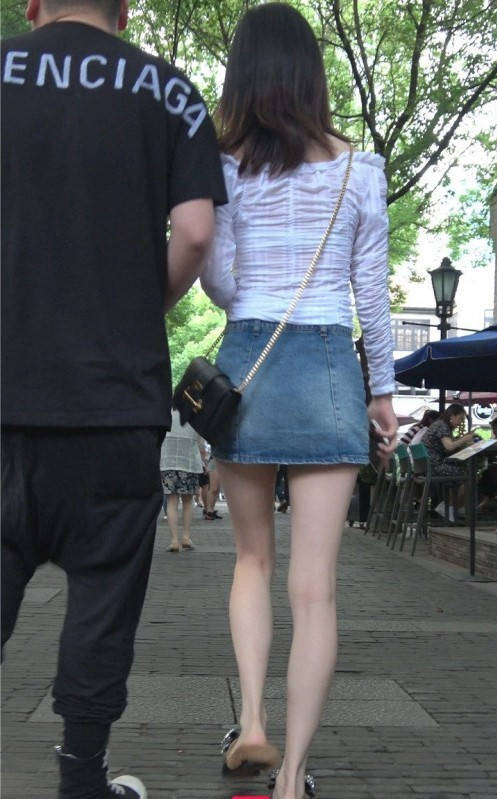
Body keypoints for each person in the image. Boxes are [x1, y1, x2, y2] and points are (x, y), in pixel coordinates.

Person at [1, 1, 226, 797]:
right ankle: (81, 776)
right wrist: (135, 308)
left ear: (33, 4)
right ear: (123, 10)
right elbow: (194, 234)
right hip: (114, 400)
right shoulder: (169, 91)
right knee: (103, 598)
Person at [200, 5, 397, 798]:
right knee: (314, 588)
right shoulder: (359, 170)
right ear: (312, 74)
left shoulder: (221, 169)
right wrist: (382, 393)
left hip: (248, 365)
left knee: (251, 558)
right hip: (326, 372)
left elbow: (219, 283)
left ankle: (251, 720)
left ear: (240, 77)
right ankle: (290, 779)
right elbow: (371, 297)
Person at [160, 410, 204, 551]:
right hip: (189, 463)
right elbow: (200, 442)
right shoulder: (193, 414)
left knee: (171, 502)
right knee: (188, 501)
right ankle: (186, 537)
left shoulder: (165, 413)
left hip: (168, 462)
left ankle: (174, 541)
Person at [423, 403, 475, 521]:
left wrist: (461, 441)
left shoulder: (440, 425)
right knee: (469, 476)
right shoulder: (442, 426)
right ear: (452, 416)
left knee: (463, 473)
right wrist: (465, 439)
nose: (461, 422)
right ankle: (450, 507)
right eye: (460, 418)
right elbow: (449, 446)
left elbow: (447, 449)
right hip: (434, 466)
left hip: (429, 465)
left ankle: (451, 507)